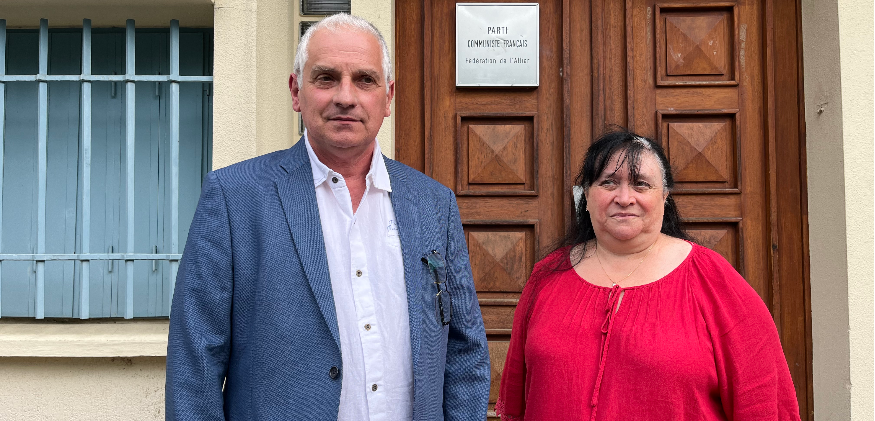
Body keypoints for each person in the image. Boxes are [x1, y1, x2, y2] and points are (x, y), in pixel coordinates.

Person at [166, 14, 490, 420]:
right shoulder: (235, 197)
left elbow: (464, 349)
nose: (346, 97)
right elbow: (195, 361)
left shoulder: (432, 203)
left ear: (388, 97)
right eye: (326, 78)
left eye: (365, 80)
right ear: (296, 91)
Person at [495, 129, 800, 420]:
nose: (624, 197)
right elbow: (518, 404)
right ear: (586, 195)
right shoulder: (547, 277)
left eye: (641, 184)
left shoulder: (714, 281)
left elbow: (764, 404)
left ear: (665, 196)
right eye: (608, 183)